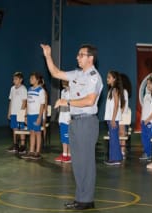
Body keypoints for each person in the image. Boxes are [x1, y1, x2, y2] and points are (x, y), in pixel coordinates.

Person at [40, 43, 103, 210]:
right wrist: (48, 55)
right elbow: (55, 73)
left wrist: (66, 101)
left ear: (90, 58)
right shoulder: (76, 74)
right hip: (74, 121)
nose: (77, 57)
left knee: (86, 162)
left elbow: (90, 100)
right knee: (78, 163)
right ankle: (81, 198)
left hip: (87, 121)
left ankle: (87, 199)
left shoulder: (93, 76)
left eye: (81, 55)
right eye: (78, 54)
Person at [21, 72, 45, 160]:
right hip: (30, 115)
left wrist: (39, 117)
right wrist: (26, 116)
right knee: (31, 132)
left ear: (37, 80)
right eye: (30, 78)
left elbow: (42, 105)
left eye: (32, 78)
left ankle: (37, 152)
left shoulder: (41, 90)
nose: (30, 80)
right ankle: (31, 151)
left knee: (38, 133)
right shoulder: (29, 89)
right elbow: (27, 103)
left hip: (36, 115)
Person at [104, 71, 125, 166]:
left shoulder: (115, 90)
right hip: (111, 118)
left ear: (114, 79)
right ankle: (118, 157)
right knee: (114, 138)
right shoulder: (112, 90)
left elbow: (116, 105)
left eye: (109, 77)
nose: (107, 79)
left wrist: (113, 119)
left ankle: (114, 159)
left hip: (113, 119)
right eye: (107, 77)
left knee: (113, 139)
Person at [7, 72, 27, 154]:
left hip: (20, 113)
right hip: (13, 113)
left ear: (21, 80)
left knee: (21, 129)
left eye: (16, 79)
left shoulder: (23, 89)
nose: (14, 80)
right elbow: (11, 101)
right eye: (13, 79)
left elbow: (24, 102)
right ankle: (15, 145)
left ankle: (23, 146)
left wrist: (21, 113)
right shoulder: (12, 89)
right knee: (14, 128)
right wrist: (9, 112)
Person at [54, 80, 71, 163]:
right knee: (63, 137)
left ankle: (69, 155)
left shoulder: (72, 91)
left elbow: (73, 105)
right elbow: (61, 104)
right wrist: (59, 117)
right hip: (63, 117)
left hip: (69, 117)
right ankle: (64, 154)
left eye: (64, 81)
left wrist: (72, 117)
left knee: (69, 137)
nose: (62, 82)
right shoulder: (62, 91)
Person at [139, 78, 152, 161]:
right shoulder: (146, 95)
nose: (148, 85)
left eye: (150, 83)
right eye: (147, 83)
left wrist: (148, 119)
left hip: (150, 121)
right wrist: (142, 118)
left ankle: (149, 154)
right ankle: (147, 152)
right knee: (144, 138)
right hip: (144, 120)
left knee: (149, 137)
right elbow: (144, 108)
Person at [119, 73, 132, 158]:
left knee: (122, 133)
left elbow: (123, 105)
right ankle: (120, 149)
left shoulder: (124, 91)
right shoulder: (120, 91)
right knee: (120, 133)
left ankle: (122, 151)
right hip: (120, 115)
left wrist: (118, 114)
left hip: (122, 116)